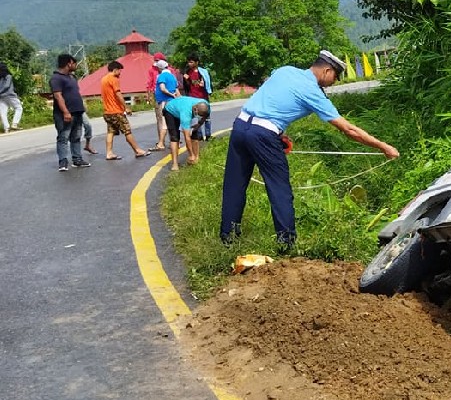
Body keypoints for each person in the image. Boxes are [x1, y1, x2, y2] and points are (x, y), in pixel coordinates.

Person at [220, 50, 399, 250]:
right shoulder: (312, 91)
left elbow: (272, 99)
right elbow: (348, 129)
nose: (335, 81)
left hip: (240, 126)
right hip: (263, 135)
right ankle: (286, 243)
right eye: (335, 76)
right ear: (326, 70)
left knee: (234, 185)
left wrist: (277, 135)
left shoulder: (285, 70)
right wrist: (383, 147)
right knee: (279, 189)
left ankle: (228, 239)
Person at [100, 61, 149, 160]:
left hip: (107, 111)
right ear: (115, 70)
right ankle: (137, 150)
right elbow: (118, 94)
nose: (120, 73)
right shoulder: (113, 79)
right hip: (116, 111)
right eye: (119, 71)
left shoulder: (103, 79)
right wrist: (126, 107)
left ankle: (109, 153)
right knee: (127, 131)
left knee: (110, 131)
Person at [50, 54, 91, 171]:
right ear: (69, 63)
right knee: (63, 137)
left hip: (77, 112)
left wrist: (82, 107)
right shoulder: (56, 78)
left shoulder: (72, 78)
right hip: (65, 114)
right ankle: (63, 162)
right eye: (74, 63)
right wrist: (65, 112)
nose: (75, 65)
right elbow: (58, 96)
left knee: (76, 137)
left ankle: (77, 159)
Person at [163, 95, 209, 171]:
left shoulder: (206, 105)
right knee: (175, 137)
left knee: (194, 134)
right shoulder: (186, 114)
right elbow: (187, 137)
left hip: (182, 107)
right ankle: (175, 164)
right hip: (170, 111)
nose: (199, 117)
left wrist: (199, 124)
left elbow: (205, 115)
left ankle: (196, 158)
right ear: (195, 109)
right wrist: (191, 154)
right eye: (198, 115)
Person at [182, 53, 213, 139]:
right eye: (188, 62)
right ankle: (198, 135)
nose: (189, 64)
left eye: (191, 62)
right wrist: (187, 80)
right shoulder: (188, 72)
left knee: (206, 116)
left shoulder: (203, 72)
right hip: (193, 97)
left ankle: (208, 135)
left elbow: (203, 84)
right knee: (195, 117)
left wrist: (203, 85)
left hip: (203, 97)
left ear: (197, 62)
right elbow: (188, 85)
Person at [0, 62, 23, 133]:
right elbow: (7, 86)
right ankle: (14, 124)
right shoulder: (8, 76)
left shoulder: (0, 78)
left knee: (3, 112)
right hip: (10, 95)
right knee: (19, 108)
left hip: (1, 97)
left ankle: (6, 128)